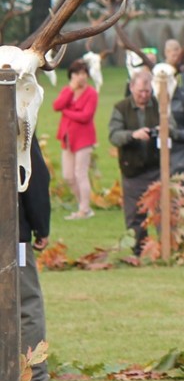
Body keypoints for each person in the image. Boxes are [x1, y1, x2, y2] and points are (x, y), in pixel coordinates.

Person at [108, 70, 161, 254]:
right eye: (140, 92)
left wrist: (162, 130)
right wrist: (133, 135)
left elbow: (173, 127)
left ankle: (165, 248)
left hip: (157, 170)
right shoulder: (121, 108)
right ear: (131, 88)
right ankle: (139, 251)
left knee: (163, 212)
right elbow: (113, 135)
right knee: (135, 217)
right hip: (133, 172)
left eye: (147, 92)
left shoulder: (159, 105)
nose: (144, 96)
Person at [18, 140, 55, 381]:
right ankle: (34, 378)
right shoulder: (19, 119)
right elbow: (34, 178)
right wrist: (41, 226)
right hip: (11, 236)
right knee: (27, 303)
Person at [53, 59, 97, 219]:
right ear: (72, 75)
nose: (81, 77)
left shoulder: (91, 93)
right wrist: (70, 91)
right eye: (78, 73)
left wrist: (67, 112)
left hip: (84, 139)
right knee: (68, 176)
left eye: (84, 73)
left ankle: (84, 210)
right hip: (67, 138)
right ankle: (82, 205)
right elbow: (57, 105)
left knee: (80, 173)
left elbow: (86, 116)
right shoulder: (67, 90)